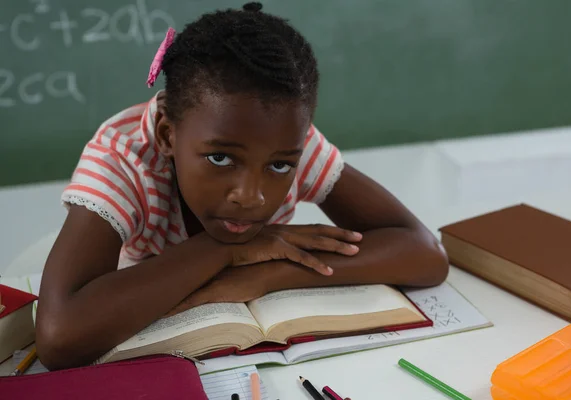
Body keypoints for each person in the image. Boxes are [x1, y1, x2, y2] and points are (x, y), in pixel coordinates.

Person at [36, 2, 448, 370]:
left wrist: (272, 273)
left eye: (281, 166)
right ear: (166, 135)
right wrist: (227, 249)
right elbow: (58, 338)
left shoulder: (281, 141)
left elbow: (424, 253)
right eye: (220, 158)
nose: (252, 196)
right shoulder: (123, 156)